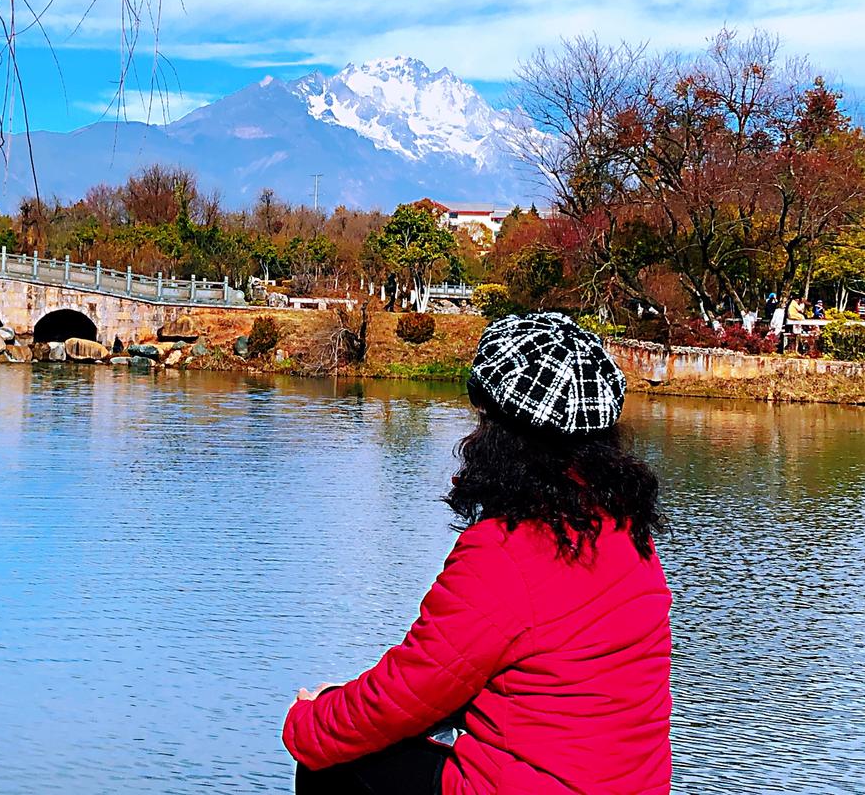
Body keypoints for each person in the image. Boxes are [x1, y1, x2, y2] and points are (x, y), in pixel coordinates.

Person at [284, 312, 672, 794]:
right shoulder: (625, 531)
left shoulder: (505, 551)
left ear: (503, 434)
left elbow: (410, 687)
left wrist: (310, 718)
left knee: (330, 760)